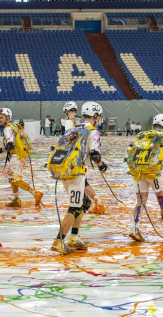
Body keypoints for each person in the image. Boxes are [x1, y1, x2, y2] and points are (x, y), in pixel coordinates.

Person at [49, 102, 107, 254]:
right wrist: (102, 165)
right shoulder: (92, 130)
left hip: (64, 170)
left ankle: (74, 236)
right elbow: (95, 154)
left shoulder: (73, 128)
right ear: (95, 116)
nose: (99, 119)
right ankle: (59, 241)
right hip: (76, 173)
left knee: (82, 203)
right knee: (74, 207)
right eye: (98, 116)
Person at [127, 114, 163, 242]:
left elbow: (129, 150)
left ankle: (134, 228)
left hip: (138, 173)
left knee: (140, 202)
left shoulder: (142, 135)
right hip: (154, 173)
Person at [0, 108, 43, 208]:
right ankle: (16, 199)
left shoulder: (8, 128)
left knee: (15, 179)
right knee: (12, 178)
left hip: (17, 157)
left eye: (2, 118)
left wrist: (0, 150)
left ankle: (35, 193)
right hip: (19, 156)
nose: (0, 120)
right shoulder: (14, 126)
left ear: (8, 118)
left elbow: (10, 146)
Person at [63, 101, 105, 214]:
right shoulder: (81, 122)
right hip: (82, 162)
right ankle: (95, 202)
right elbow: (94, 152)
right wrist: (101, 165)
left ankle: (92, 203)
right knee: (84, 184)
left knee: (77, 192)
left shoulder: (71, 123)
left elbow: (66, 141)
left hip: (72, 162)